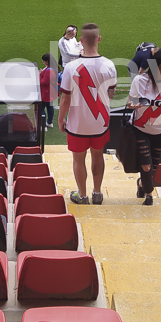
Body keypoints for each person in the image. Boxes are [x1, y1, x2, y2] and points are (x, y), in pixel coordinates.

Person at [58, 23, 116, 206]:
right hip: (100, 123)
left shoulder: (70, 67)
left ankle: (82, 196)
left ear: (81, 41)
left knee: (78, 159)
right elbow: (111, 94)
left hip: (78, 125)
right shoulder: (109, 65)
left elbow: (65, 99)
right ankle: (97, 193)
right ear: (99, 39)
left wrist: (61, 118)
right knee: (98, 156)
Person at [126, 48, 161, 205]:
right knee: (146, 165)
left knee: (153, 167)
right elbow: (130, 101)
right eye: (160, 68)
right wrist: (133, 105)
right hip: (140, 129)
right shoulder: (140, 81)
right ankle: (149, 195)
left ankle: (141, 184)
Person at [39, 53, 55, 130]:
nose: (43, 63)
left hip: (46, 92)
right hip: (50, 92)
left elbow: (44, 82)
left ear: (47, 61)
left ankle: (43, 126)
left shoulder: (49, 70)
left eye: (44, 61)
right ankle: (49, 122)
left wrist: (39, 76)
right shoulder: (52, 68)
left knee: (41, 108)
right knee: (50, 107)